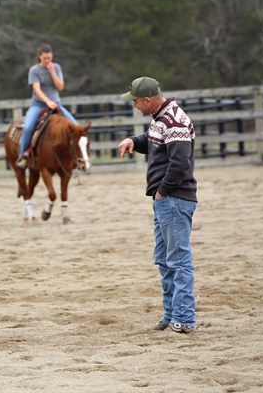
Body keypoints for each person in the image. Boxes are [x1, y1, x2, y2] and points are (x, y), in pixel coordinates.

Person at [117, 76, 198, 334]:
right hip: (165, 201)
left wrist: (162, 192)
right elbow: (154, 142)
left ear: (147, 100)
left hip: (173, 199)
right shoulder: (161, 119)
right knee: (164, 260)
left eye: (136, 102)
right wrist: (135, 141)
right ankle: (171, 315)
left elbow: (180, 163)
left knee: (177, 259)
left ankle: (184, 319)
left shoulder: (175, 121)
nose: (134, 106)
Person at [15, 43, 78, 169]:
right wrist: (47, 101)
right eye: (45, 58)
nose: (47, 61)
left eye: (49, 58)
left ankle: (76, 157)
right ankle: (23, 155)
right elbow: (36, 89)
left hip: (56, 103)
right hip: (38, 104)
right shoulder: (34, 70)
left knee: (76, 127)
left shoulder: (56, 67)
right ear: (39, 57)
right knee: (27, 127)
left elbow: (60, 87)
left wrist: (52, 72)